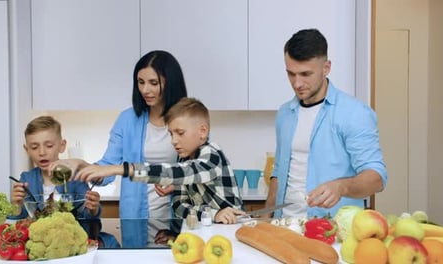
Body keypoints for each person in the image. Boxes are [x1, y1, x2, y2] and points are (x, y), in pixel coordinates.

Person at [51, 50, 188, 247]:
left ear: (170, 82)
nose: (145, 90)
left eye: (153, 83)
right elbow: (108, 168)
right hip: (136, 219)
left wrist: (175, 185)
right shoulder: (127, 120)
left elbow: (199, 173)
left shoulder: (187, 119)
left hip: (178, 219)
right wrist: (81, 166)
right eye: (140, 82)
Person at [264, 29, 388, 219]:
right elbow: (279, 171)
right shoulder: (284, 114)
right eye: (291, 74)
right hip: (285, 227)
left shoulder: (355, 113)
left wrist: (341, 187)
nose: (297, 83)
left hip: (331, 231)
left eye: (306, 74)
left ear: (326, 68)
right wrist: (267, 216)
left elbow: (376, 178)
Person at [71, 97, 245, 227]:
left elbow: (181, 172)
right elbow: (179, 206)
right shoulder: (184, 159)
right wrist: (213, 214)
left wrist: (120, 169)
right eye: (171, 134)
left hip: (232, 229)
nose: (174, 141)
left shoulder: (211, 156)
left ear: (202, 131)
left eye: (180, 133)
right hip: (209, 231)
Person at [9, 116, 120, 248]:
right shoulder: (27, 179)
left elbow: (89, 218)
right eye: (34, 147)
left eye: (49, 146)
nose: (42, 152)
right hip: (42, 244)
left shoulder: (75, 178)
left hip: (74, 242)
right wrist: (16, 204)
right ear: (27, 150)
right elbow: (19, 219)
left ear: (62, 146)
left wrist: (93, 208)